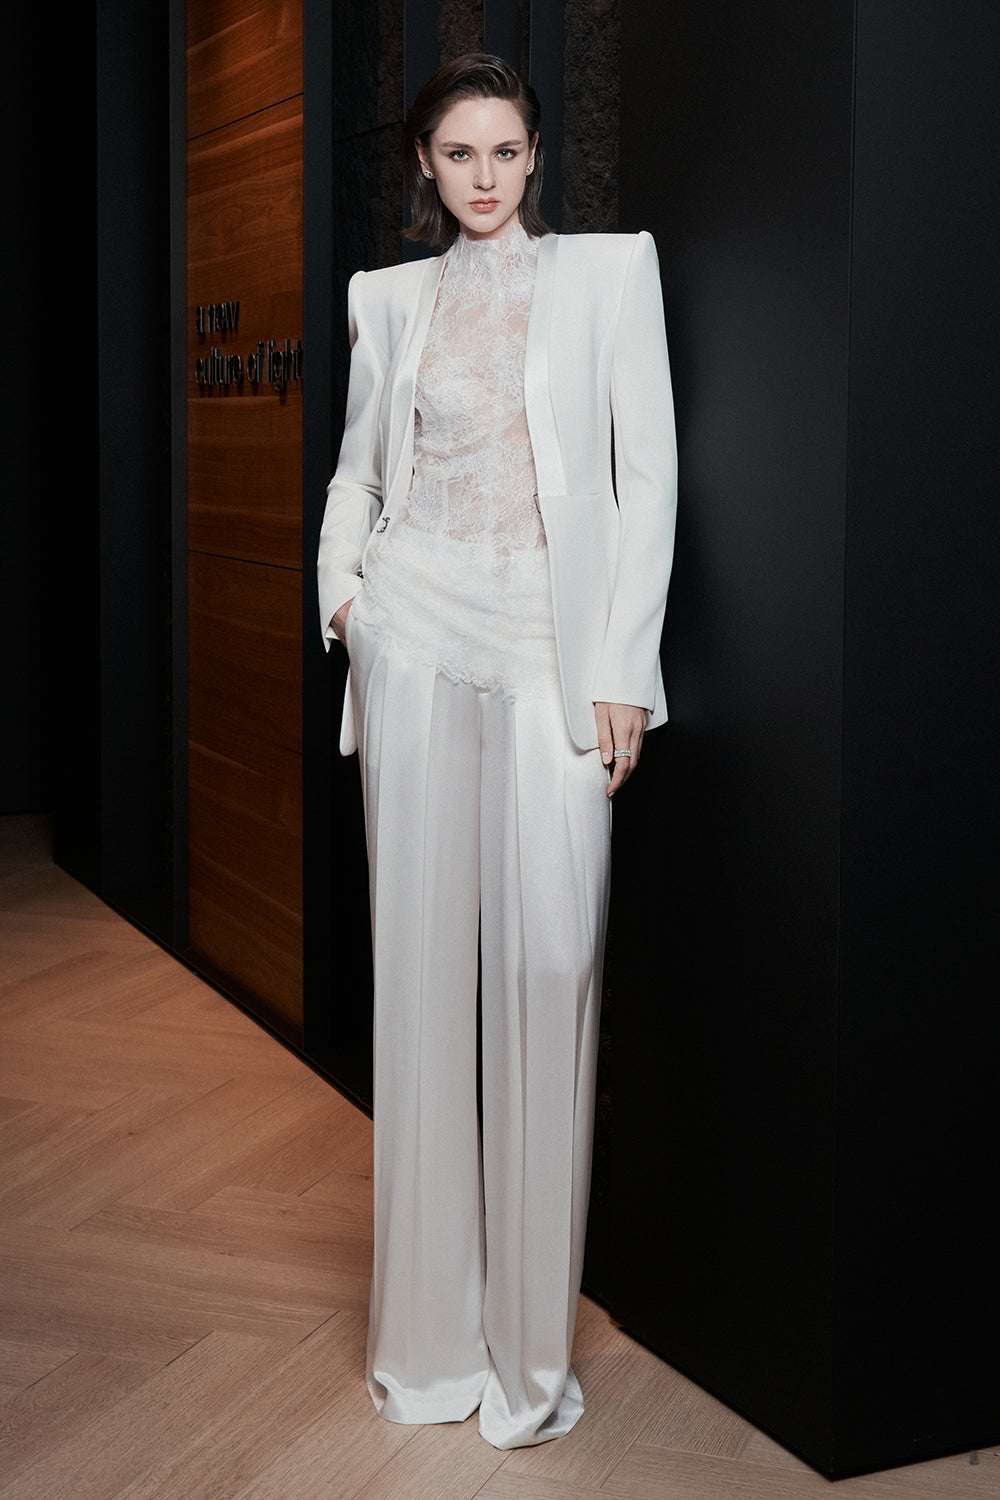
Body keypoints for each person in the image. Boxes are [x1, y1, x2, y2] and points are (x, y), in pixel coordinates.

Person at [317, 53, 676, 1450]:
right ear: (425, 161)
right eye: (458, 152)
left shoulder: (608, 276)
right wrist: (347, 602)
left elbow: (647, 481)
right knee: (418, 984)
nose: (484, 175)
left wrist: (622, 671)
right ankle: (427, 1350)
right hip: (412, 635)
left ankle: (527, 1365)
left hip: (547, 652)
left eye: (506, 151)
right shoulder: (387, 298)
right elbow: (358, 469)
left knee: (547, 966)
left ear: (535, 156)